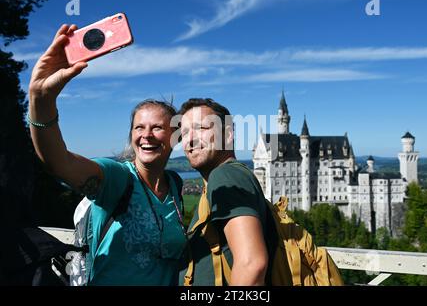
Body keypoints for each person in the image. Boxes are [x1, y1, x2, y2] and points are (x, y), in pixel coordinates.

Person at [27, 24, 186, 285]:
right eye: (139, 127)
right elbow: (59, 162)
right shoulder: (116, 178)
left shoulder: (175, 185)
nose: (146, 135)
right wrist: (41, 101)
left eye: (157, 127)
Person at [177, 98, 274, 286]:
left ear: (227, 135)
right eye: (184, 133)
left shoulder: (226, 174)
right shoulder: (222, 180)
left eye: (202, 128)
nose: (190, 139)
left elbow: (252, 264)